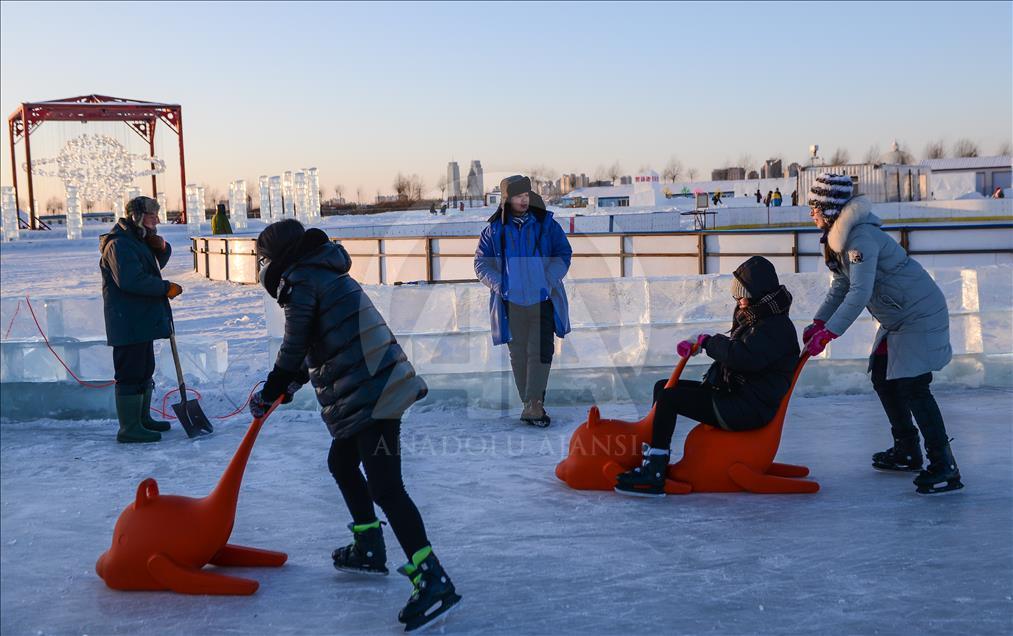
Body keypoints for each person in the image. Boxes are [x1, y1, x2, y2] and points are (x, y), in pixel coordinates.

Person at [250, 219, 460, 630]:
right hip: (373, 384)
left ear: (276, 257)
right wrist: (288, 384)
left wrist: (275, 384)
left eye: (264, 258)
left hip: (373, 392)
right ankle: (368, 545)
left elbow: (294, 344)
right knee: (342, 463)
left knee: (386, 486)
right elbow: (321, 340)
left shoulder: (300, 279)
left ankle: (431, 576)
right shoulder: (320, 270)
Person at [802, 173, 962, 495]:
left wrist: (830, 333)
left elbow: (860, 293)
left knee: (914, 387)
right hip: (899, 316)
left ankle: (944, 465)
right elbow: (842, 286)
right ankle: (906, 449)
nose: (811, 214)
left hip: (917, 315)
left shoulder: (860, 239)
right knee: (881, 375)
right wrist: (819, 322)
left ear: (830, 208)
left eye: (815, 207)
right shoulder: (839, 239)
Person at [615, 256, 799, 496]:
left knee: (670, 399)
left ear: (759, 293)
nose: (739, 302)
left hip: (747, 408)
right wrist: (701, 342)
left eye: (743, 295)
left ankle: (655, 474)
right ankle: (654, 458)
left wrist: (708, 342)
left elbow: (743, 358)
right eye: (736, 296)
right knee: (664, 388)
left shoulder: (775, 327)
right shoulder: (761, 318)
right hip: (739, 395)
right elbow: (739, 355)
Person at [474, 175, 572, 426]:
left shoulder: (545, 224)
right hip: (511, 302)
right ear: (507, 199)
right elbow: (481, 263)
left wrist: (547, 280)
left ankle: (535, 403)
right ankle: (529, 403)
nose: (524, 200)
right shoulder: (494, 230)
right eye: (519, 196)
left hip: (542, 299)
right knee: (518, 354)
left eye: (527, 195)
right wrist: (502, 285)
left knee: (540, 350)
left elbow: (563, 253)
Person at [99, 196, 182, 443]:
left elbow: (153, 265)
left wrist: (161, 247)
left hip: (141, 319)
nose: (157, 220)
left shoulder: (137, 239)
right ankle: (129, 427)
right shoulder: (119, 244)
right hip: (127, 321)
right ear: (136, 216)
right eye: (151, 216)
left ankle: (142, 419)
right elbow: (130, 279)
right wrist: (165, 288)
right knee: (130, 372)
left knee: (145, 369)